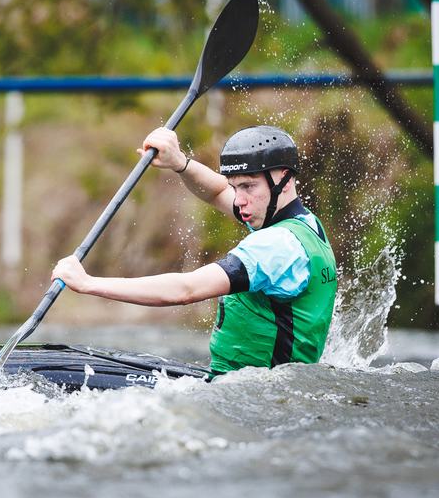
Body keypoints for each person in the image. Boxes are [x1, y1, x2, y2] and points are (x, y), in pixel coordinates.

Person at [52, 125, 337, 377]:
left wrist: (88, 284)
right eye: (236, 187)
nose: (239, 201)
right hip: (259, 386)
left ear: (284, 179)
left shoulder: (275, 247)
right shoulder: (303, 227)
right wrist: (180, 163)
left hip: (251, 395)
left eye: (249, 187)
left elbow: (185, 290)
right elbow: (216, 191)